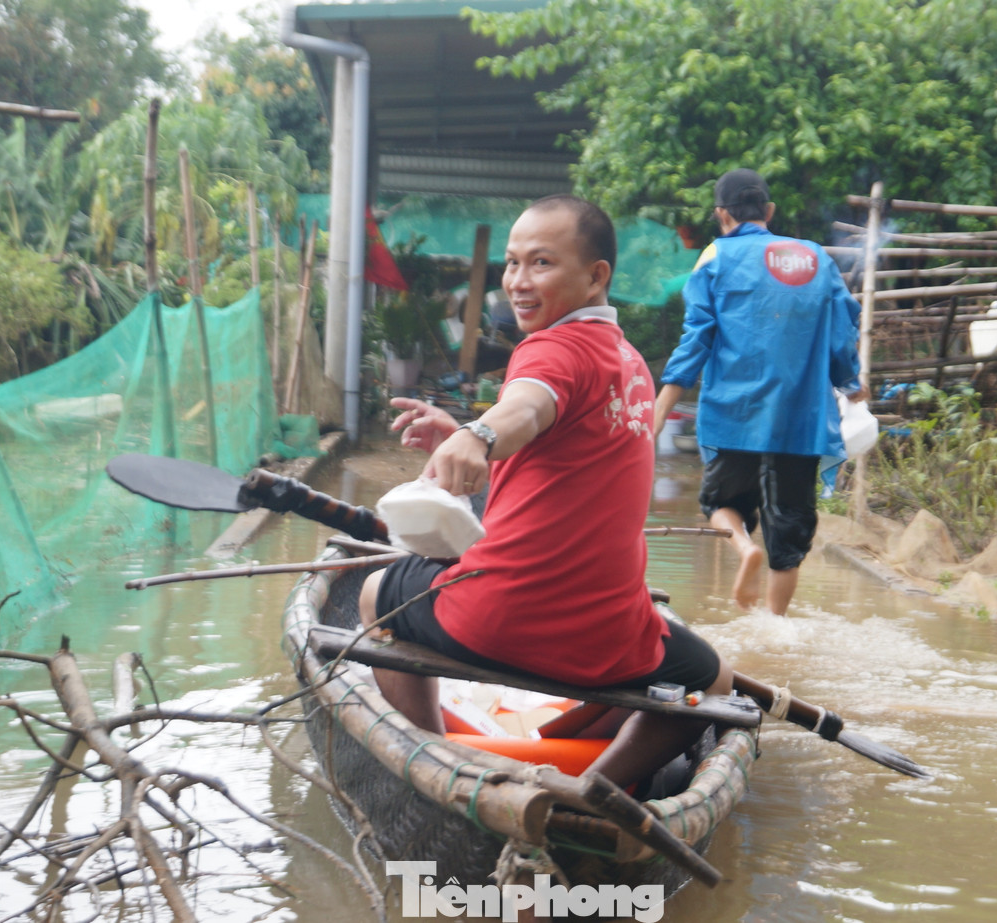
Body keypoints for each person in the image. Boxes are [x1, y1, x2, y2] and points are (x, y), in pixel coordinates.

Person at [359, 194, 732, 788]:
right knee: (712, 681)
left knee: (378, 593)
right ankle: (601, 790)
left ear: (595, 277)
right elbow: (540, 425)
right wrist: (468, 436)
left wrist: (479, 434)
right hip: (610, 642)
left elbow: (528, 407)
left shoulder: (551, 348)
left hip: (499, 622)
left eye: (541, 264)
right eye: (512, 263)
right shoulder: (631, 363)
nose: (517, 282)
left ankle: (434, 761)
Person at [653, 169, 867, 614]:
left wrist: (658, 414)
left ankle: (743, 548)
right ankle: (773, 625)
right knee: (789, 533)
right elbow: (841, 332)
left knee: (718, 502)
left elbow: (697, 339)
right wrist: (853, 388)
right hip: (801, 422)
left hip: (737, 416)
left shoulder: (716, 256)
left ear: (720, 215)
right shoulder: (815, 258)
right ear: (768, 212)